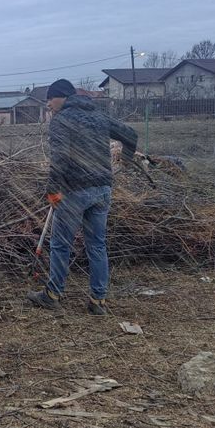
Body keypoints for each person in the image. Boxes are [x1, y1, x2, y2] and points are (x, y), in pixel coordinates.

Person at [27, 79, 137, 315]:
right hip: (102, 190)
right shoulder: (97, 116)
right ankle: (98, 302)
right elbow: (130, 134)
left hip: (75, 191)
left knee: (60, 244)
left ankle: (53, 294)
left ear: (62, 97)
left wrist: (52, 189)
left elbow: (60, 159)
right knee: (97, 245)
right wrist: (126, 160)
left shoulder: (61, 120)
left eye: (50, 99)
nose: (48, 104)